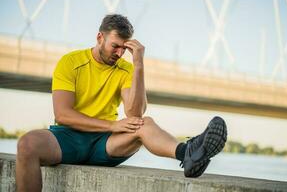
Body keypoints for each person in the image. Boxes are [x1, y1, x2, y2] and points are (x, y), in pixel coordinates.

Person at [16, 14, 227, 191]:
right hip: (68, 139)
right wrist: (111, 125)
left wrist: (138, 64)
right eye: (114, 46)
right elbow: (63, 114)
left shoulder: (126, 69)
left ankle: (188, 154)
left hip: (105, 144)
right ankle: (193, 149)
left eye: (123, 49)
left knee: (145, 123)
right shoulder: (70, 62)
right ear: (100, 37)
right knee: (27, 144)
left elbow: (135, 112)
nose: (119, 53)